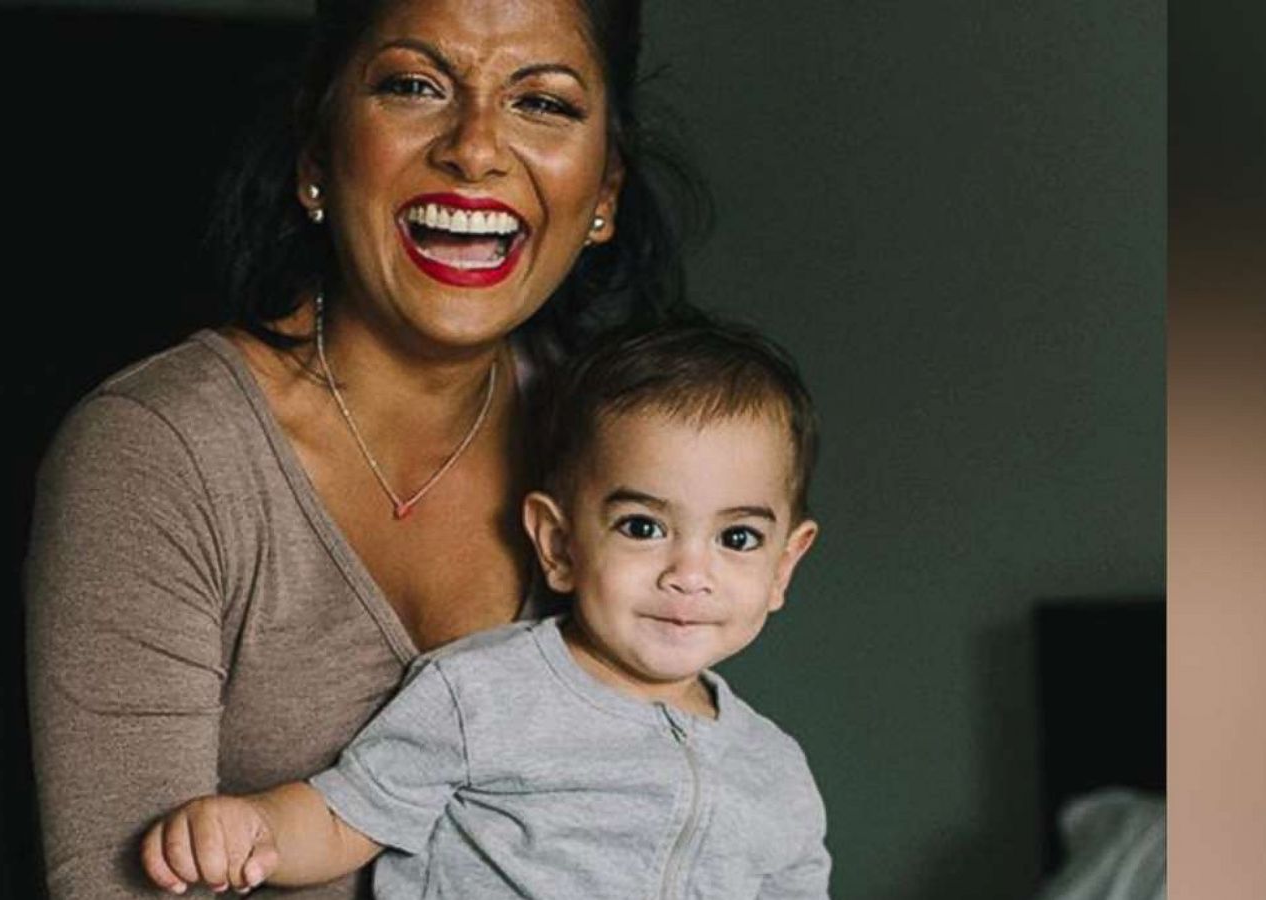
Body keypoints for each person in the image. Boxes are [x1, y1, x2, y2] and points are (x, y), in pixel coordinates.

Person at [25, 0, 705, 897]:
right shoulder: (161, 450)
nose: (475, 148)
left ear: (604, 193)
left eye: (542, 103)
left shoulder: (626, 445)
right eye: (414, 86)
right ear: (317, 153)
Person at [139, 323, 830, 898]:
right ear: (557, 544)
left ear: (784, 566)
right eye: (642, 527)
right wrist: (252, 827)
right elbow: (344, 816)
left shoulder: (776, 773)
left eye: (737, 538)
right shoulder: (483, 694)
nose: (689, 574)